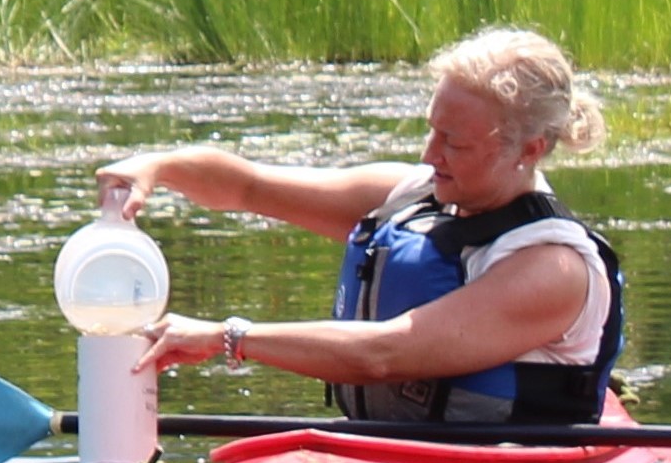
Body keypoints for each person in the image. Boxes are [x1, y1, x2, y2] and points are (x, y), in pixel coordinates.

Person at [101, 27, 622, 425]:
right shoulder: (409, 196)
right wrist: (159, 166)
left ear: (530, 149)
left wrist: (227, 336)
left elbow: (385, 354)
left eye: (455, 143)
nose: (428, 154)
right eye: (432, 130)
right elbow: (248, 187)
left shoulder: (552, 267)